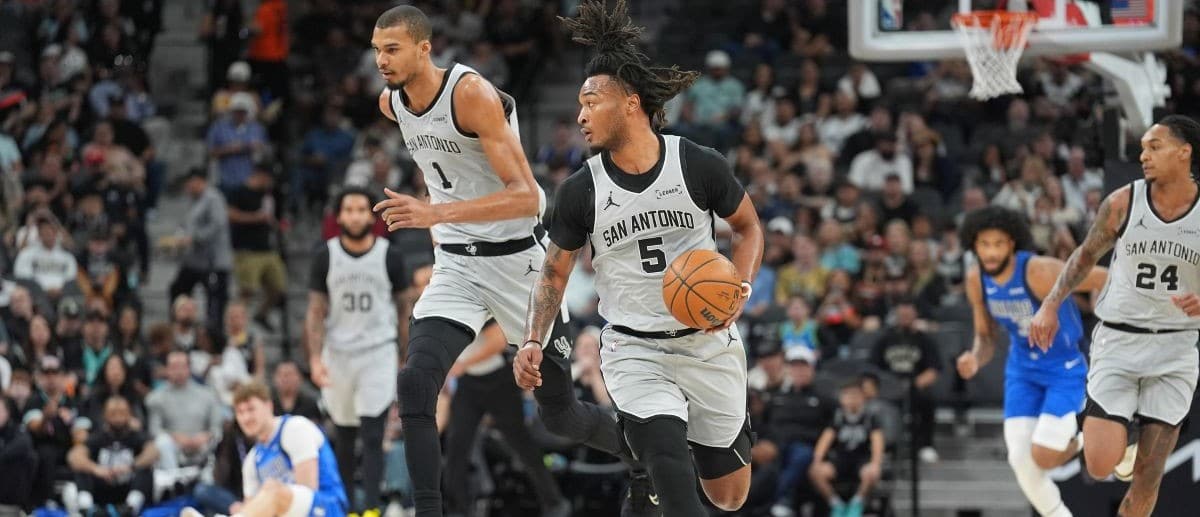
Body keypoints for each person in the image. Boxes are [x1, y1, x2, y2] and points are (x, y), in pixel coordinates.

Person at [369, 6, 644, 516]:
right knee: (414, 383)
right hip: (457, 265)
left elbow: (530, 198)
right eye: (376, 50)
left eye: (392, 49)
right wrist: (441, 225)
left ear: (424, 49)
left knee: (558, 415)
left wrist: (433, 212)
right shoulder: (393, 104)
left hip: (519, 264)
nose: (380, 60)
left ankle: (643, 456)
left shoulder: (468, 94)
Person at [516, 1, 764, 514]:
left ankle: (674, 447)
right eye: (579, 105)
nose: (580, 114)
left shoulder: (696, 163)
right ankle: (652, 451)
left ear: (630, 102)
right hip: (635, 351)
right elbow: (555, 270)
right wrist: (533, 338)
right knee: (668, 466)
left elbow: (747, 226)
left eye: (592, 101)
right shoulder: (581, 190)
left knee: (730, 496)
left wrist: (740, 285)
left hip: (708, 341)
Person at [1030, 115, 1200, 517]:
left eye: (1154, 147)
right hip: (1119, 340)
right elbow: (1086, 255)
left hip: (1177, 347)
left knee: (1149, 475)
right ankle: (1126, 437)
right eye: (1142, 147)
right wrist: (1051, 303)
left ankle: (1137, 442)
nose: (1143, 155)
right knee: (1099, 463)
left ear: (1184, 152)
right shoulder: (1124, 202)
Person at [956, 205, 1107, 517]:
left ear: (1012, 243)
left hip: (1064, 369)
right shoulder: (976, 280)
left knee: (1043, 456)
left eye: (998, 244)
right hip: (1022, 372)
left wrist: (1107, 315)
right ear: (973, 245)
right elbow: (986, 337)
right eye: (984, 244)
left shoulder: (1038, 271)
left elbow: (1103, 277)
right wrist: (974, 357)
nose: (991, 252)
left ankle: (1089, 435)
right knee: (1020, 460)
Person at [306, 187, 405, 515]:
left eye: (362, 209)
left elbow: (404, 309)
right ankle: (348, 508)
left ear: (370, 215)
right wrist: (314, 358)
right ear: (339, 216)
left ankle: (373, 509)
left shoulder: (390, 254)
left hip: (378, 350)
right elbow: (316, 311)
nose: (355, 215)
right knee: (345, 437)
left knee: (374, 434)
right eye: (349, 209)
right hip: (338, 353)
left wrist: (405, 357)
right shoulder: (326, 255)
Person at [443, 322, 570, 517]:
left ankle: (554, 503)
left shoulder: (479, 299)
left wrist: (462, 364)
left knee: (521, 443)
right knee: (457, 445)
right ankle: (456, 510)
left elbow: (498, 342)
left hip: (498, 379)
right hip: (468, 382)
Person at [183, 381, 348, 517]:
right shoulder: (252, 459)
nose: (246, 417)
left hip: (326, 508)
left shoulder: (294, 428)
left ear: (268, 406)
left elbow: (308, 490)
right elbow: (252, 510)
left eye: (251, 409)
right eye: (240, 412)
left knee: (272, 489)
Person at [67, 396, 158, 515]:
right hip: (102, 486)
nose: (118, 418)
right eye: (113, 413)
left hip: (127, 487)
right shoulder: (97, 436)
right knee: (82, 470)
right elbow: (74, 456)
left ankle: (130, 508)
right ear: (105, 415)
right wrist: (96, 469)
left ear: (129, 414)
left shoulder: (137, 435)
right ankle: (87, 508)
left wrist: (131, 466)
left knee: (145, 470)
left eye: (122, 413)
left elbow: (153, 452)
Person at [808, 380, 884, 517]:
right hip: (840, 460)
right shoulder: (838, 417)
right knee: (815, 472)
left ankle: (857, 502)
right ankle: (835, 503)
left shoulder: (870, 418)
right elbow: (825, 440)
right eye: (848, 395)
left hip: (862, 460)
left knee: (871, 473)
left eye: (855, 395)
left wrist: (876, 463)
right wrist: (817, 460)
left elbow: (877, 442)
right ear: (841, 398)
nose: (852, 399)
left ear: (863, 397)